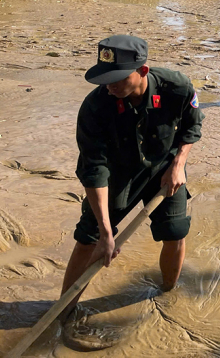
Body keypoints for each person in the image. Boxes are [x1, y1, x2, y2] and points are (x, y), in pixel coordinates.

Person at [61, 35, 204, 313]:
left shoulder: (177, 87)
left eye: (117, 78)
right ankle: (63, 312)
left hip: (165, 169)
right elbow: (94, 169)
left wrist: (178, 165)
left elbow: (192, 126)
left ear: (142, 71)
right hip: (117, 175)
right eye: (105, 78)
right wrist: (105, 232)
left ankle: (167, 295)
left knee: (175, 233)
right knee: (89, 239)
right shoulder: (96, 106)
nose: (110, 85)